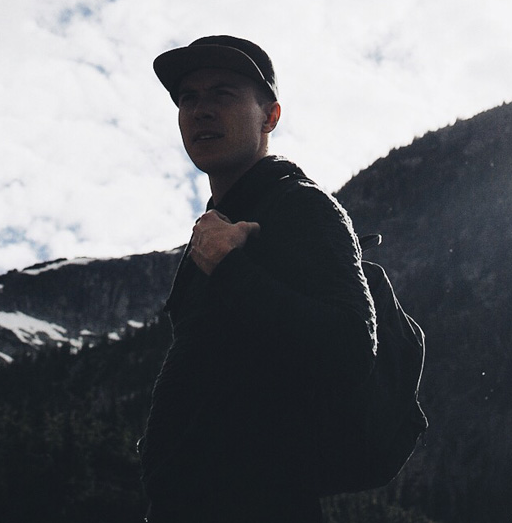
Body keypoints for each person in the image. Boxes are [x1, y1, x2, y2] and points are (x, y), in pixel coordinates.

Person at [140, 35, 377, 523]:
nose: (201, 110)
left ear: (270, 117)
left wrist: (230, 269)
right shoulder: (218, 227)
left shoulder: (300, 206)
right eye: (189, 98)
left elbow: (351, 347)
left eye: (223, 94)